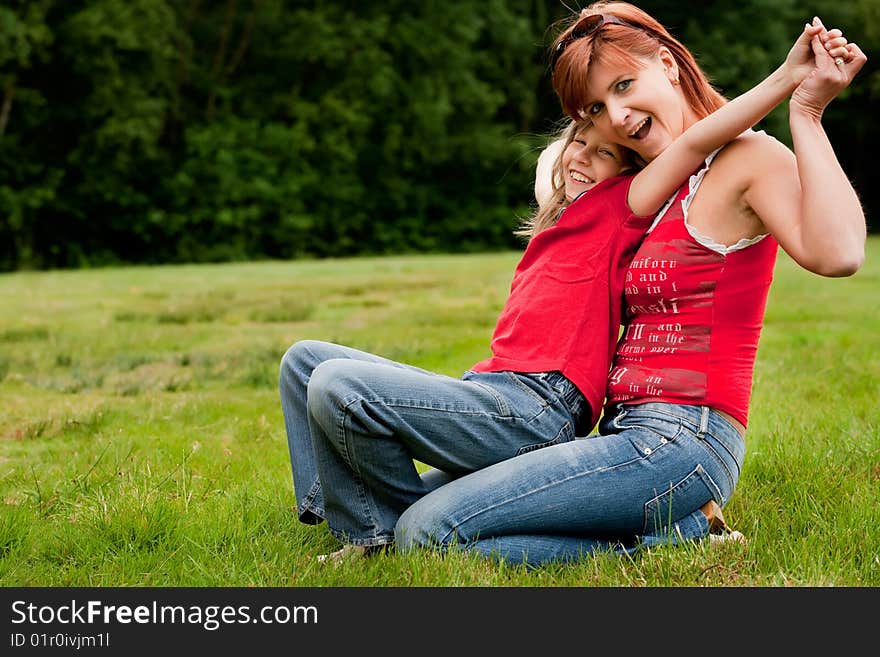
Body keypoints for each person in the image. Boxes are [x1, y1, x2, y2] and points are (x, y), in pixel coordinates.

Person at [392, 4, 866, 567]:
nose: (616, 115)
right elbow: (561, 196)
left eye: (624, 85)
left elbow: (838, 254)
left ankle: (668, 535)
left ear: (667, 64)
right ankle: (679, 526)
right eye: (595, 107)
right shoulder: (641, 188)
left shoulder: (749, 159)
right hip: (618, 434)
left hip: (683, 437)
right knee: (416, 508)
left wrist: (806, 113)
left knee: (426, 531)